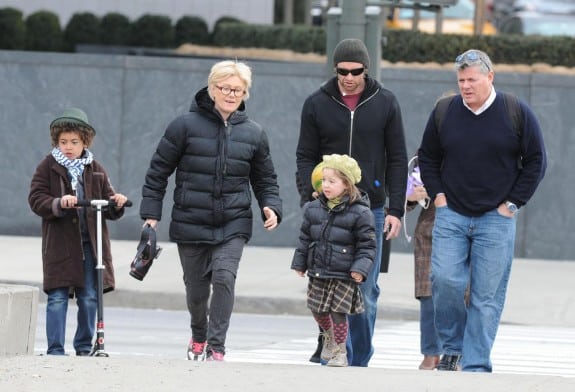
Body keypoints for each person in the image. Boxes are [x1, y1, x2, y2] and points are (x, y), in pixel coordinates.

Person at [139, 60, 283, 362]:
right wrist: (151, 213)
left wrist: (271, 206)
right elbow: (158, 171)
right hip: (191, 219)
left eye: (238, 90)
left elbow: (265, 178)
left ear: (245, 94)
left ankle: (217, 346)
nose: (231, 94)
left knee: (224, 278)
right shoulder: (183, 126)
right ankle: (199, 334)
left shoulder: (254, 133)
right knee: (196, 291)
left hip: (233, 221)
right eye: (225, 88)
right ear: (211, 87)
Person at [418, 49, 547, 372]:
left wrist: (513, 203)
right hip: (452, 214)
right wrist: (439, 196)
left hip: (496, 217)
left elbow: (536, 161)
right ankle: (453, 348)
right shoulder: (444, 111)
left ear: (490, 77)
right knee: (445, 281)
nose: (465, 86)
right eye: (461, 80)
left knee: (485, 297)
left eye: (472, 79)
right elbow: (428, 157)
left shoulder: (516, 111)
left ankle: (475, 365)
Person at [296, 38, 408, 366]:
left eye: (355, 71)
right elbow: (304, 155)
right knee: (326, 285)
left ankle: (358, 360)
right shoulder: (316, 103)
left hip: (369, 208)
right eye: (342, 71)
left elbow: (398, 158)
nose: (348, 77)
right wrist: (309, 193)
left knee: (365, 288)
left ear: (366, 69)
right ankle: (331, 349)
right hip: (326, 208)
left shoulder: (385, 102)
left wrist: (395, 209)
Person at [28, 107, 129, 356]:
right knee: (58, 297)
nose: (68, 147)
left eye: (74, 142)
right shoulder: (48, 166)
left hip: (89, 244)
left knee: (89, 297)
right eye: (63, 142)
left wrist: (115, 201)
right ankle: (55, 349)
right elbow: (36, 198)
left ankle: (84, 346)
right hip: (60, 245)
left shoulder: (94, 168)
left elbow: (107, 202)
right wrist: (58, 203)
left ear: (85, 141)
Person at [292, 154, 376, 367]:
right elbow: (305, 238)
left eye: (332, 181)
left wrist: (360, 269)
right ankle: (328, 336)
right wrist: (300, 263)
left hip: (344, 272)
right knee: (317, 309)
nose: (325, 185)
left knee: (339, 312)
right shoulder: (313, 208)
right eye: (323, 181)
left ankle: (340, 351)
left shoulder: (361, 212)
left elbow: (367, 245)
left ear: (347, 185)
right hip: (319, 269)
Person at [404, 156, 440, 370]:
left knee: (462, 292)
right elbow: (408, 196)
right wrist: (410, 197)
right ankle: (430, 352)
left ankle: (456, 353)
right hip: (430, 229)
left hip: (467, 226)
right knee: (428, 293)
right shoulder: (427, 152)